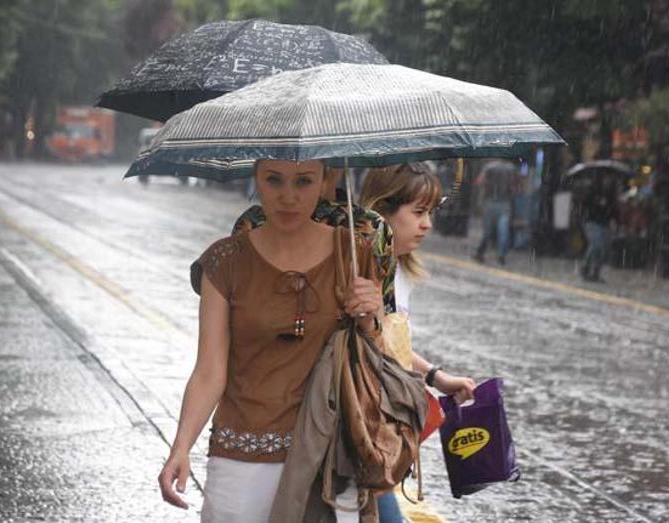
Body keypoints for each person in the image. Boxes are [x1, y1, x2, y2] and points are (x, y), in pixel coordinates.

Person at [158, 159, 388, 522]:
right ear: (257, 179)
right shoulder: (225, 260)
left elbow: (374, 358)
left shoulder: (355, 255)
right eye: (274, 180)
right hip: (241, 456)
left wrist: (371, 316)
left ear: (324, 182)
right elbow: (209, 370)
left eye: (303, 181)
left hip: (328, 457)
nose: (289, 196)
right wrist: (180, 446)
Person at [359, 163, 476, 523]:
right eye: (419, 213)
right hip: (362, 432)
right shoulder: (359, 271)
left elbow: (391, 344)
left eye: (431, 213)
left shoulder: (397, 269)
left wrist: (436, 377)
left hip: (387, 435)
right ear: (382, 212)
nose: (427, 224)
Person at [473, 161, 517, 265]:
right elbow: (516, 186)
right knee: (503, 231)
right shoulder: (511, 168)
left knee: (488, 231)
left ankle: (480, 252)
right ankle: (501, 255)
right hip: (505, 203)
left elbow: (480, 181)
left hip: (490, 202)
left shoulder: (489, 167)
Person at [580, 175, 618, 282]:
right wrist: (597, 203)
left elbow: (613, 210)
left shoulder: (611, 195)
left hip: (604, 224)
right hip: (592, 222)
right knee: (596, 245)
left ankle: (595, 272)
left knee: (602, 249)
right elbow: (585, 206)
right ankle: (586, 267)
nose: (607, 181)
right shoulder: (592, 192)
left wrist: (614, 220)